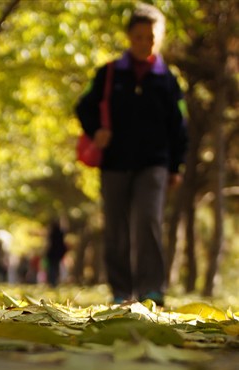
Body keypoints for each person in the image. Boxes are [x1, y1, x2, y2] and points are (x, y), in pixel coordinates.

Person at [75, 3, 188, 306]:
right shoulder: (109, 73)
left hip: (154, 163)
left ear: (158, 38)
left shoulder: (168, 79)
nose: (144, 42)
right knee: (116, 227)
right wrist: (96, 129)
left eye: (150, 37)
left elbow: (179, 124)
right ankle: (121, 291)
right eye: (138, 36)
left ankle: (152, 290)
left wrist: (176, 165)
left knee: (148, 221)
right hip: (114, 162)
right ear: (129, 37)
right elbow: (83, 106)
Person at [45, 219, 68, 287]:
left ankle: (52, 281)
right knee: (56, 267)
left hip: (52, 253)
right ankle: (54, 281)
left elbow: (48, 244)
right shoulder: (60, 233)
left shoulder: (51, 233)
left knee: (52, 267)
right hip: (58, 253)